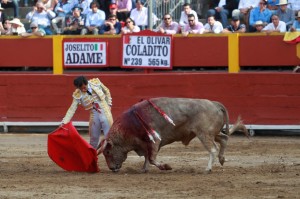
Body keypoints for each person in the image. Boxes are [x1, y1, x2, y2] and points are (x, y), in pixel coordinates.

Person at [61, 76, 113, 149]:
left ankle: (112, 154)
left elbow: (106, 91)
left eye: (84, 87)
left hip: (105, 111)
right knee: (93, 138)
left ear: (86, 83)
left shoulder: (95, 83)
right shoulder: (78, 94)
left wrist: (109, 104)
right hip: (94, 114)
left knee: (109, 137)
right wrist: (64, 122)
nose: (83, 89)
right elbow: (71, 109)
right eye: (80, 88)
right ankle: (92, 156)